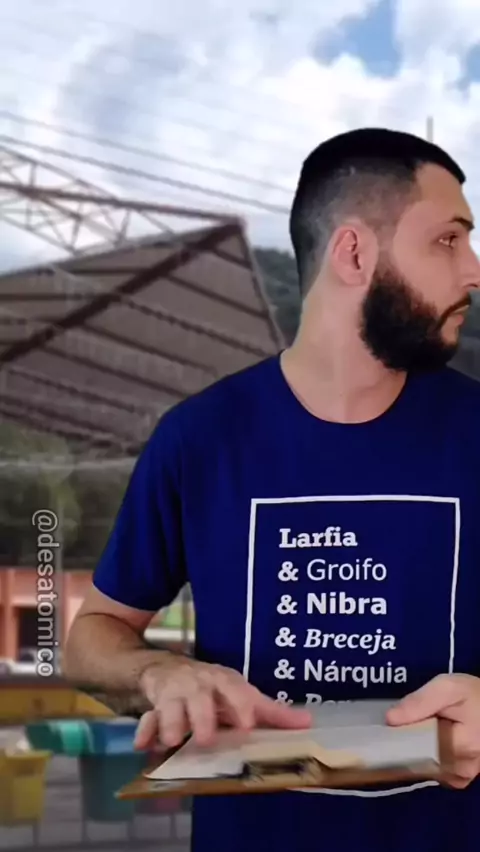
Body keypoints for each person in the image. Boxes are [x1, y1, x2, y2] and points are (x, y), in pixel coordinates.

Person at [64, 127, 480, 852]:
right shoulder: (200, 438)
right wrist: (158, 672)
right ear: (354, 253)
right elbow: (89, 639)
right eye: (448, 240)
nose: (472, 270)